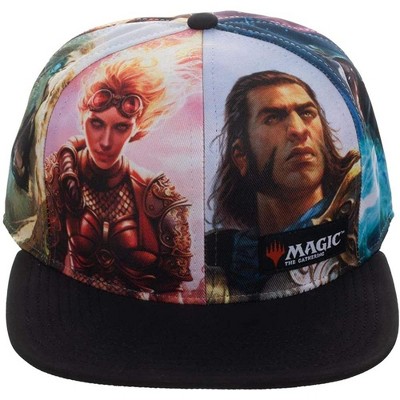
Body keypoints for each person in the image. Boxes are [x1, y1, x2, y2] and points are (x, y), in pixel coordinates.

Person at [45, 57, 193, 301]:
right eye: (96, 123)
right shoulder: (58, 174)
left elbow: (171, 294)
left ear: (137, 127)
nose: (105, 142)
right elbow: (51, 263)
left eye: (121, 127)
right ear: (82, 118)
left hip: (144, 319)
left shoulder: (159, 197)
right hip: (73, 307)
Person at [206, 70, 360, 303]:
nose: (298, 130)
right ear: (241, 156)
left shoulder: (359, 215)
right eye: (272, 118)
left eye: (307, 113)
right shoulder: (220, 256)